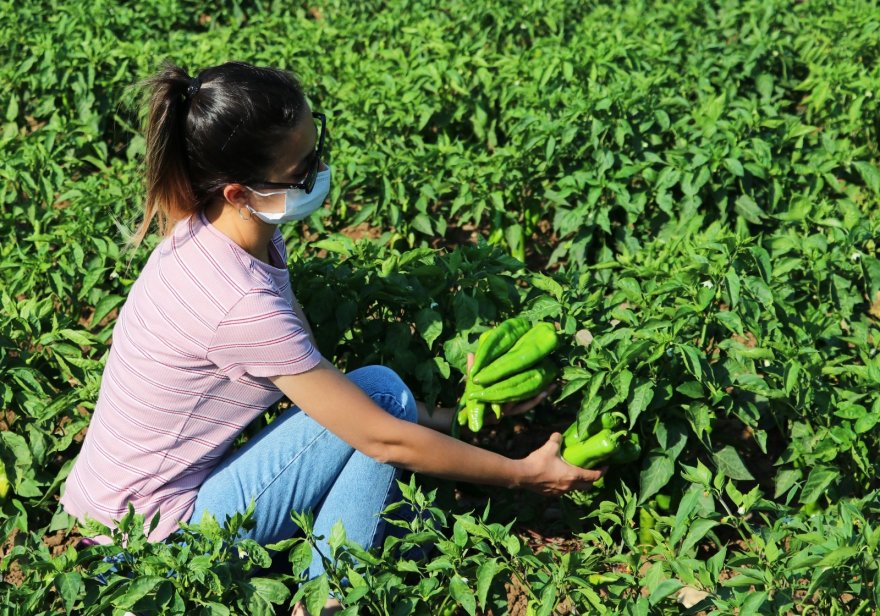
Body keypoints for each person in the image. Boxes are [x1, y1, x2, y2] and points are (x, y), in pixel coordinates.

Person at [60, 60, 605, 615]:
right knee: (384, 408)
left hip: (106, 510)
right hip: (146, 547)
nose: (318, 173)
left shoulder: (212, 232)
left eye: (317, 151)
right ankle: (327, 602)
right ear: (238, 192)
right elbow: (381, 439)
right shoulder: (242, 303)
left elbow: (327, 389)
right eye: (302, 170)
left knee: (380, 399)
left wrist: (461, 416)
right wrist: (521, 475)